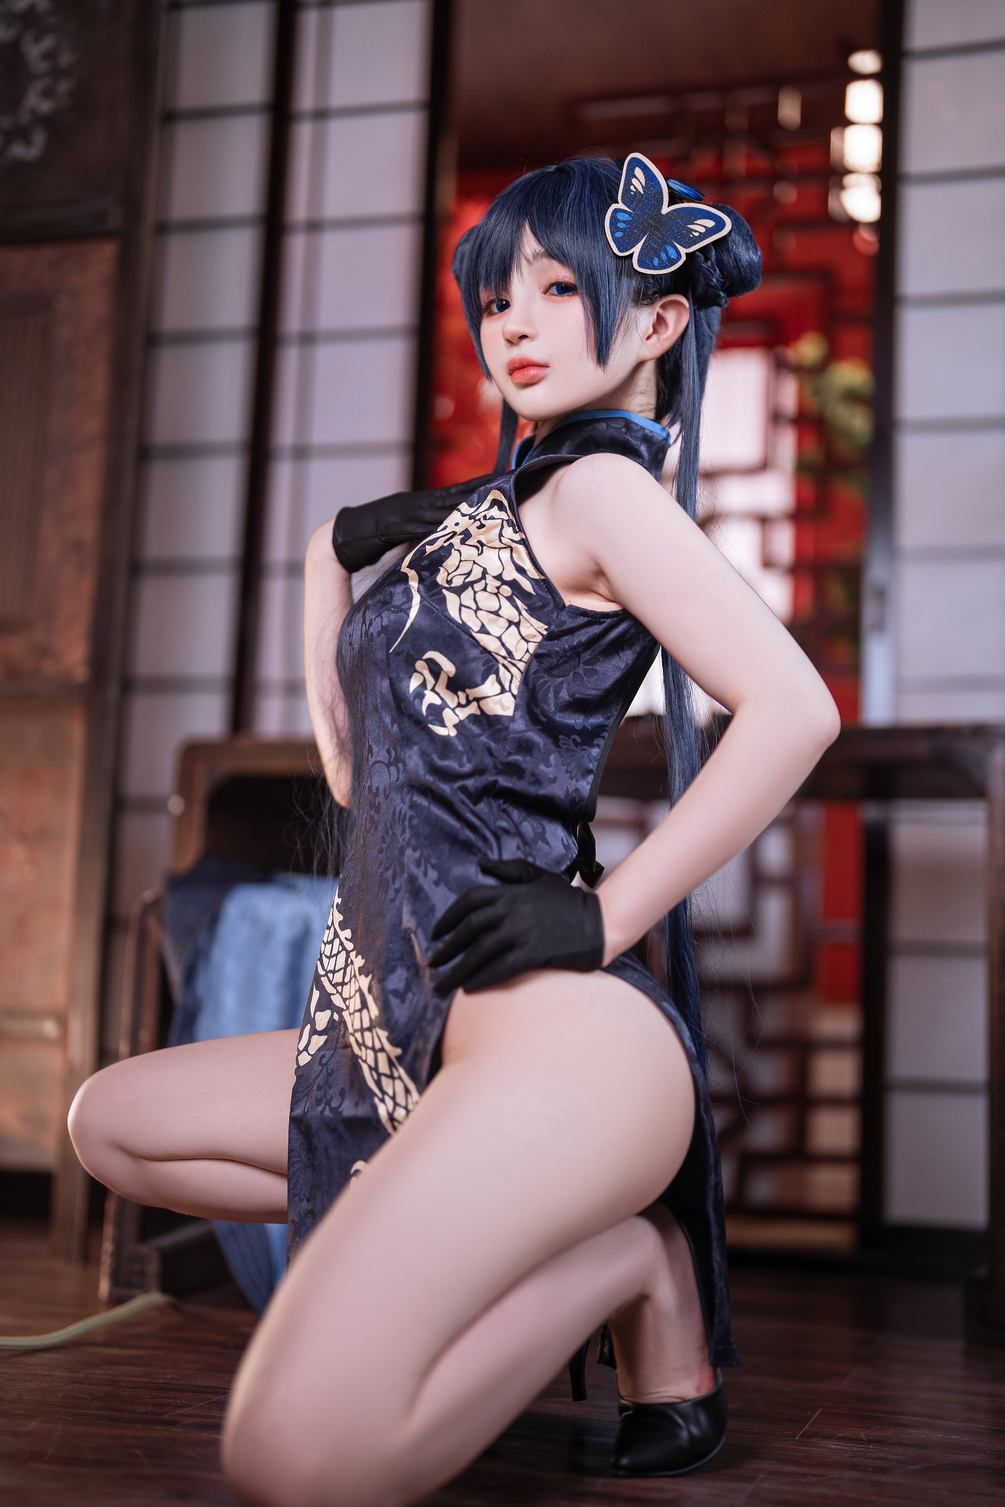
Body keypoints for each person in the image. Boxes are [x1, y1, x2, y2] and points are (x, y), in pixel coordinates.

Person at [69, 155, 839, 1506]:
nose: (514, 325)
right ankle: (519, 1229)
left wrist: (603, 916)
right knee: (113, 1125)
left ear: (657, 321)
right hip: (395, 1016)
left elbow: (794, 710)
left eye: (558, 288)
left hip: (547, 1028)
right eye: (494, 300)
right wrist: (335, 549)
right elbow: (355, 778)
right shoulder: (504, 519)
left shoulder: (606, 496)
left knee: (292, 1454)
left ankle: (630, 1259)